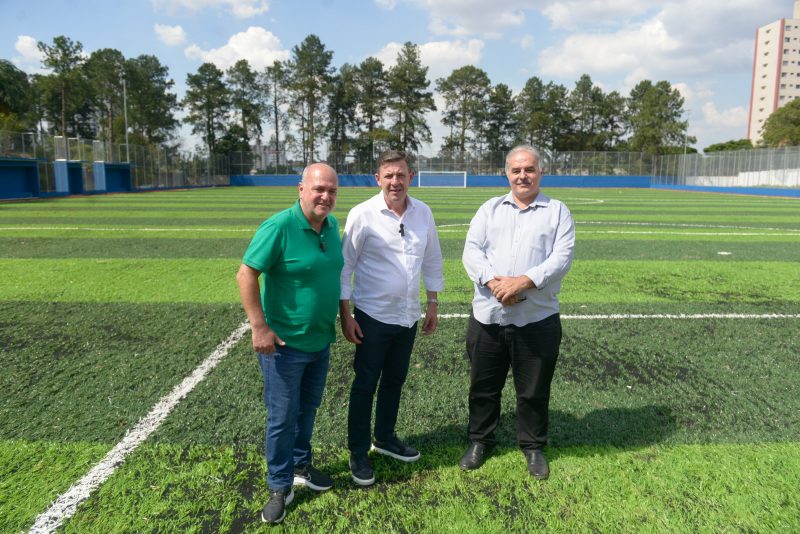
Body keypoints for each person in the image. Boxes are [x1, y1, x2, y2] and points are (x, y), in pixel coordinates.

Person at [236, 163, 343, 524]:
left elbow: (333, 277)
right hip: (284, 346)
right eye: (318, 189)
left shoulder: (331, 227)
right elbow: (247, 273)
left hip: (320, 342)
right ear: (301, 189)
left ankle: (301, 465)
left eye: (331, 191)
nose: (325, 196)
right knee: (282, 417)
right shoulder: (279, 226)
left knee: (308, 409)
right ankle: (279, 485)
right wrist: (259, 326)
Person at [460, 145, 575, 480]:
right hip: (488, 317)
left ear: (540, 172)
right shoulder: (489, 209)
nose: (523, 175)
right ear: (506, 173)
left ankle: (533, 445)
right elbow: (472, 250)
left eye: (529, 169)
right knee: (483, 386)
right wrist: (496, 284)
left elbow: (561, 258)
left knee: (534, 389)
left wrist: (523, 282)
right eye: (516, 170)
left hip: (536, 319)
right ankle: (480, 440)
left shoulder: (557, 212)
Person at [339, 149, 444, 486]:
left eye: (401, 175)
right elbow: (346, 265)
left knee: (395, 380)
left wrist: (432, 302)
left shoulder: (423, 213)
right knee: (365, 384)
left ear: (411, 177)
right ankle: (358, 450)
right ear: (378, 179)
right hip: (372, 315)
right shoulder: (363, 214)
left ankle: (383, 438)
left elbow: (432, 259)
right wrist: (345, 313)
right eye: (389, 176)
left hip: (407, 316)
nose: (395, 182)